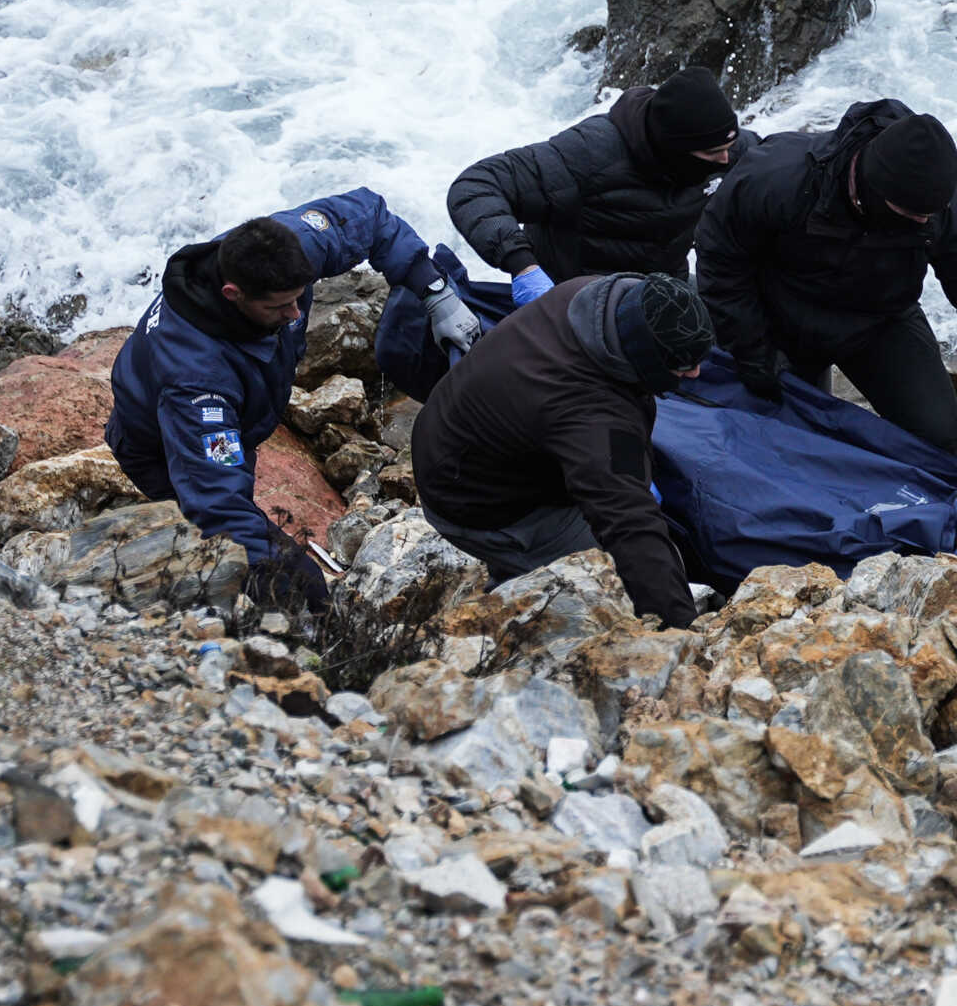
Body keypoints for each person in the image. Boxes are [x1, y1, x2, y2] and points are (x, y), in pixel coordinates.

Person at [106, 190, 480, 602]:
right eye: (281, 307)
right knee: (249, 568)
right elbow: (217, 500)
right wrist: (286, 577)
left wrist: (436, 292)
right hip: (159, 447)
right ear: (233, 294)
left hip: (238, 402)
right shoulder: (197, 385)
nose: (296, 315)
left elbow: (369, 219)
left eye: (299, 297)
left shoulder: (286, 245)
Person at [694, 99, 957, 473]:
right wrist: (752, 348)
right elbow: (719, 257)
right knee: (783, 440)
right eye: (913, 214)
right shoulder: (779, 175)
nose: (924, 221)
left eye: (929, 214)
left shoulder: (943, 207)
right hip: (779, 317)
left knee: (939, 440)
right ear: (872, 187)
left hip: (878, 321)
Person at [410, 271, 714, 630]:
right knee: (612, 585)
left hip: (454, 432)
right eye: (682, 364)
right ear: (646, 357)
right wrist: (680, 632)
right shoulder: (591, 414)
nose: (695, 373)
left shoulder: (595, 297)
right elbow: (630, 526)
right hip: (471, 499)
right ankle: (514, 601)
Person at [446, 67, 751, 307]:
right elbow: (476, 186)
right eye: (713, 153)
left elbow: (777, 172)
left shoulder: (727, 151)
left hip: (661, 291)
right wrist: (522, 266)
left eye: (730, 146)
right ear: (673, 147)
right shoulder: (587, 154)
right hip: (573, 300)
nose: (725, 160)